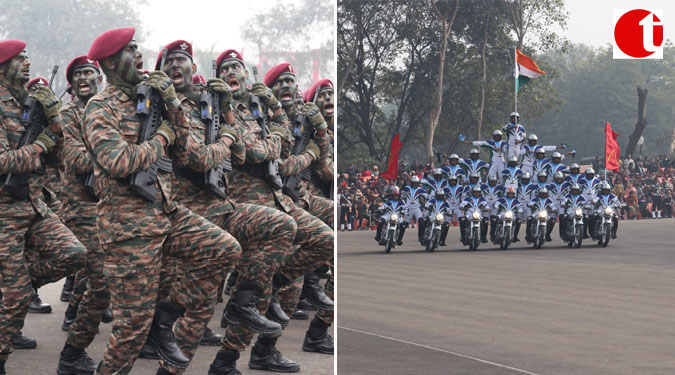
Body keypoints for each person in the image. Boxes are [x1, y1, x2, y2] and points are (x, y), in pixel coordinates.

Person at [83, 28, 245, 375]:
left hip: (166, 213)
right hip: (128, 230)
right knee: (129, 333)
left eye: (137, 48)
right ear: (110, 62)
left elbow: (186, 151)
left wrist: (171, 103)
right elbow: (118, 162)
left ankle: (165, 314)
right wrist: (161, 136)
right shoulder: (100, 107)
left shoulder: (152, 99)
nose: (139, 55)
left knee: (226, 248)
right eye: (129, 51)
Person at [208, 50, 334, 374]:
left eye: (238, 66)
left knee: (325, 241)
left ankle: (266, 343)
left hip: (278, 201)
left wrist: (281, 119)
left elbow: (287, 150)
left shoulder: (259, 110)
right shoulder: (220, 111)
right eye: (227, 68)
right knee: (256, 297)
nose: (234, 71)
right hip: (245, 207)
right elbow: (257, 152)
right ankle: (226, 360)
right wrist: (278, 138)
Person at [0, 39, 87, 374]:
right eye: (18, 58)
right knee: (16, 296)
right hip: (5, 214)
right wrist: (40, 144)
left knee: (75, 254)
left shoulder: (31, 102)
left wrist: (53, 119)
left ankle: (17, 288)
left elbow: (57, 154)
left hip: (35, 206)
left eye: (27, 57)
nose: (26, 62)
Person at [56, 55, 115, 374]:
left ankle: (77, 313)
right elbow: (76, 158)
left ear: (99, 78)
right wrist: (112, 155)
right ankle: (74, 345)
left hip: (107, 200)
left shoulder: (105, 109)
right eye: (78, 74)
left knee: (96, 268)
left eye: (89, 73)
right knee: (97, 268)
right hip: (81, 203)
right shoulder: (68, 113)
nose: (83, 78)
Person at [547, 172, 569, 239]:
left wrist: (565, 202)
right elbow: (548, 196)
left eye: (560, 178)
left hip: (562, 204)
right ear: (554, 179)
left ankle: (562, 234)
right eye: (557, 179)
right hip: (553, 203)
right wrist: (551, 205)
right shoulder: (551, 185)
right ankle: (547, 234)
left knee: (562, 218)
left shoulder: (566, 185)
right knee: (551, 220)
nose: (559, 180)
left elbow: (568, 194)